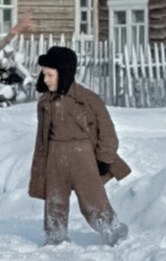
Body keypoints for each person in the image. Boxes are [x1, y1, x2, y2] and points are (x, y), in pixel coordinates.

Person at [28, 46, 130, 246]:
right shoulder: (45, 102)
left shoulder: (88, 100)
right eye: (44, 75)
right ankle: (55, 238)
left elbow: (107, 132)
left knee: (94, 200)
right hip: (55, 157)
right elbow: (42, 138)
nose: (46, 79)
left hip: (83, 156)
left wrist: (104, 158)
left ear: (64, 73)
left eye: (50, 75)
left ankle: (113, 230)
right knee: (54, 201)